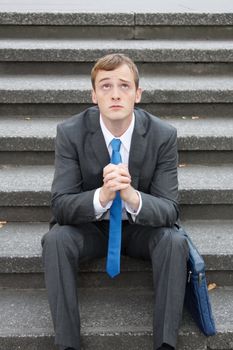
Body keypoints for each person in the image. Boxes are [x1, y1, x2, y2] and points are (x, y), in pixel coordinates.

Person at [41, 53, 189, 350]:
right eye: (105, 86)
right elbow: (61, 205)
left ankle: (165, 345)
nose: (116, 94)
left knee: (174, 242)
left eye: (124, 85)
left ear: (138, 93)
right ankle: (67, 345)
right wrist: (103, 195)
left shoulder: (162, 135)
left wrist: (132, 196)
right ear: (93, 95)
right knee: (55, 239)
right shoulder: (70, 132)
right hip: (91, 229)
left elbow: (169, 209)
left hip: (139, 229)